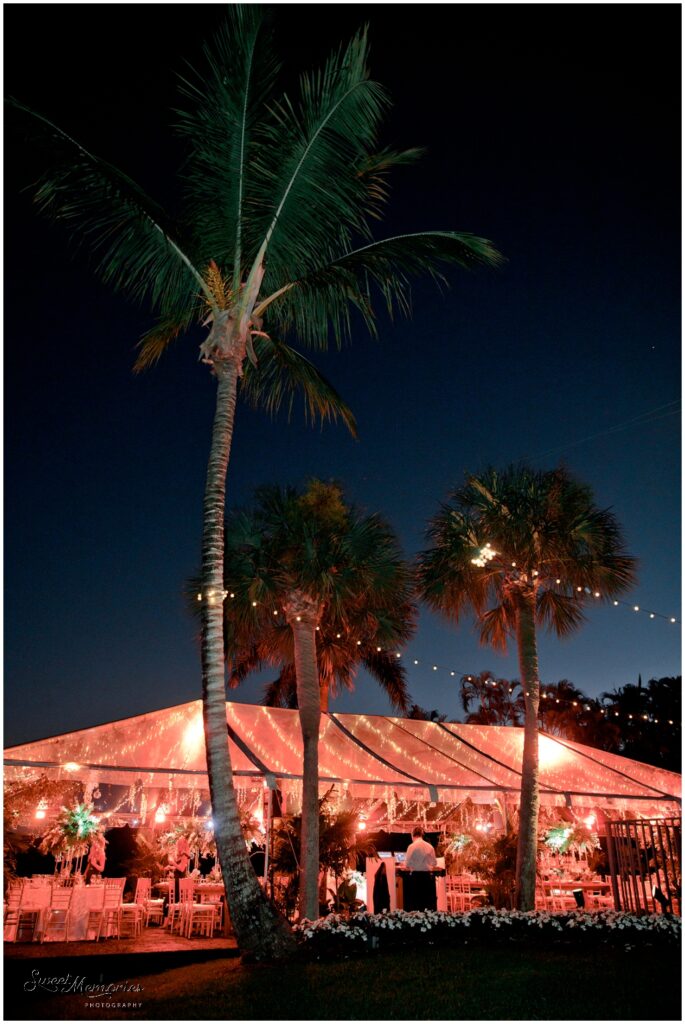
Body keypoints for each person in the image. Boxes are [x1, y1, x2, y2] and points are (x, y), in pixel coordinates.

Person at [403, 826, 437, 911]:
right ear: (422, 835)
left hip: (416, 878)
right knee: (427, 903)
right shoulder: (430, 847)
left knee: (416, 903)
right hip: (427, 877)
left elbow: (407, 864)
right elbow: (434, 863)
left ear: (412, 835)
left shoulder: (411, 846)